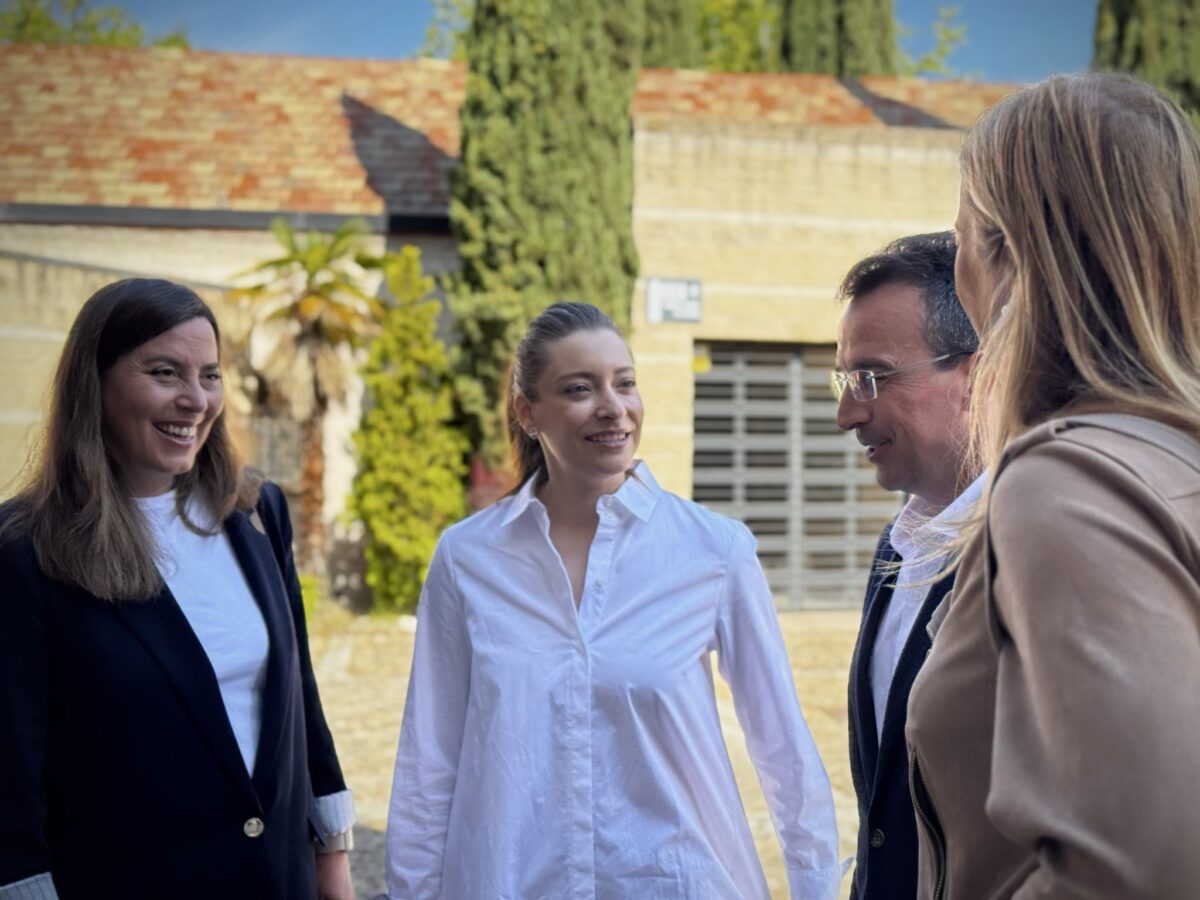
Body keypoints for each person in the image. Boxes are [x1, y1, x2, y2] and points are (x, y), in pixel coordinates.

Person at [385, 301, 841, 899]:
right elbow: (430, 760)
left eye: (624, 384)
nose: (613, 408)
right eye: (580, 389)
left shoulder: (713, 550)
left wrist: (815, 886)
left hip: (676, 882)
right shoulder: (468, 559)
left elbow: (783, 746)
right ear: (528, 412)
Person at [906, 72, 1200, 898]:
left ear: (1004, 253)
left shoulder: (1067, 486)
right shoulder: (1170, 459)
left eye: (963, 229)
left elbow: (1147, 870)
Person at [0, 279, 355, 900]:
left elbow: (301, 699)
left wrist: (333, 865)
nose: (196, 400)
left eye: (210, 375)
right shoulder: (26, 551)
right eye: (165, 372)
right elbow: (9, 770)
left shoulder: (256, 511)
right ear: (95, 383)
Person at [831, 232, 979, 900]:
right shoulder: (900, 543)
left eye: (871, 378)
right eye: (845, 381)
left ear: (975, 373)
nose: (847, 413)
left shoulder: (1033, 548)